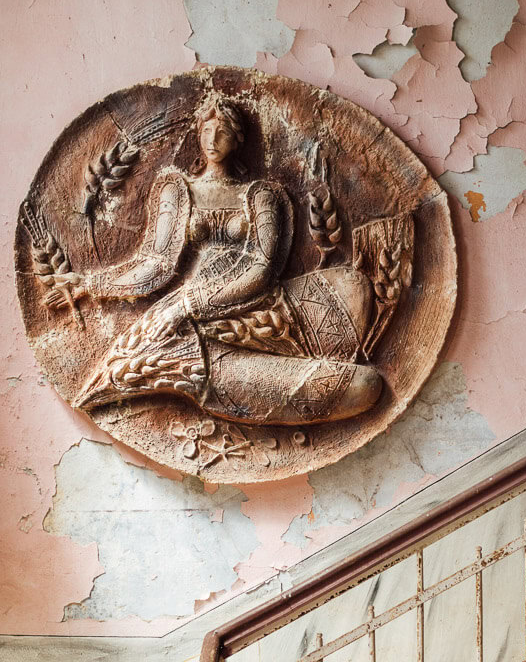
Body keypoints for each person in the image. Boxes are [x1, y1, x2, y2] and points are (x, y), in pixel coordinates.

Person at [48, 96, 382, 425]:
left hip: (254, 302)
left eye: (223, 132)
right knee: (144, 356)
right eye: (207, 130)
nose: (213, 140)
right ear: (198, 132)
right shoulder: (177, 191)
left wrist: (191, 305)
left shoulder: (261, 195)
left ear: (237, 140)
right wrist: (92, 284)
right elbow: (156, 264)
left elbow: (262, 268)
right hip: (188, 312)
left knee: (352, 287)